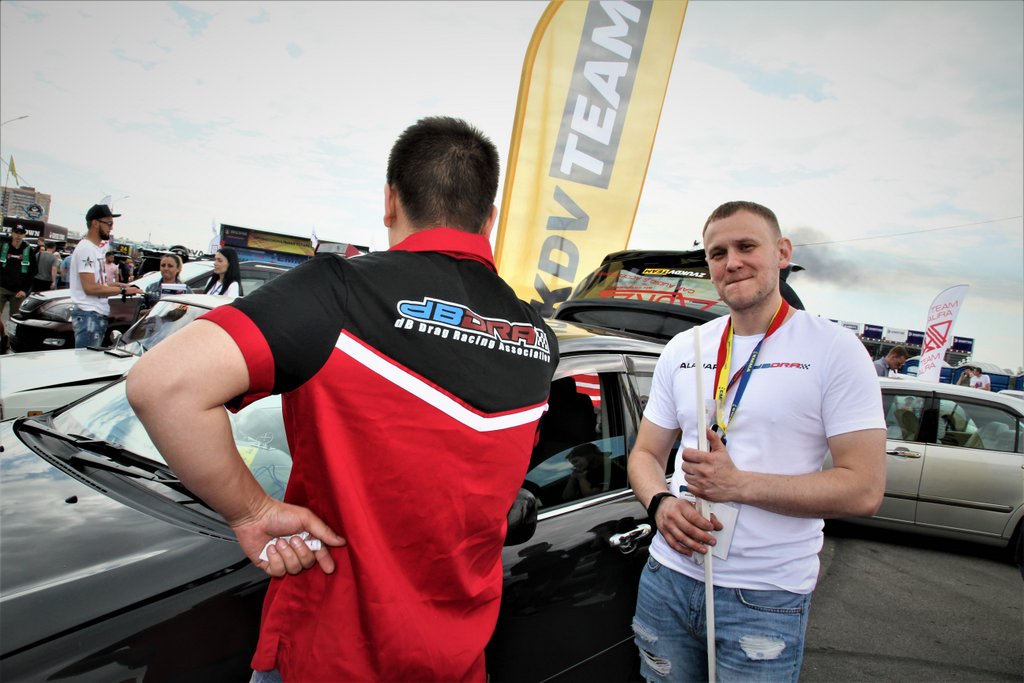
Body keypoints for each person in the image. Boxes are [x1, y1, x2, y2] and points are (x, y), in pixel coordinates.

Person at [126, 116, 558, 682]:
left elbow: (163, 385)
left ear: (390, 200)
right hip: (455, 662)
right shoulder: (538, 339)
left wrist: (251, 511)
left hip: (328, 653)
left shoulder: (340, 292)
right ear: (490, 217)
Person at [627, 200, 886, 682]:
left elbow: (864, 489)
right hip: (667, 577)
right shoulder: (686, 347)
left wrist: (739, 484)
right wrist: (659, 502)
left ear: (782, 252)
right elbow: (645, 453)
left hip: (764, 595)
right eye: (717, 253)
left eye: (747, 246)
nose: (732, 262)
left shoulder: (834, 349)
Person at [69, 204, 142, 348]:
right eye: (108, 223)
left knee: (89, 359)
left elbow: (98, 284)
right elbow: (90, 288)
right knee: (86, 360)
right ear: (95, 223)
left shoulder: (94, 249)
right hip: (89, 313)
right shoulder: (86, 248)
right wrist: (123, 291)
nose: (111, 227)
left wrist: (120, 285)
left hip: (94, 314)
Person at [1, 224, 38, 353]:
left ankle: (11, 343)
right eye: (16, 232)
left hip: (18, 291)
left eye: (21, 233)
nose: (18, 235)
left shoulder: (28, 250)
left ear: (24, 235)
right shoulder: (3, 247)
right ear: (12, 233)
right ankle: (3, 336)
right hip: (2, 287)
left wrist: (24, 290)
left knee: (14, 319)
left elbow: (32, 272)